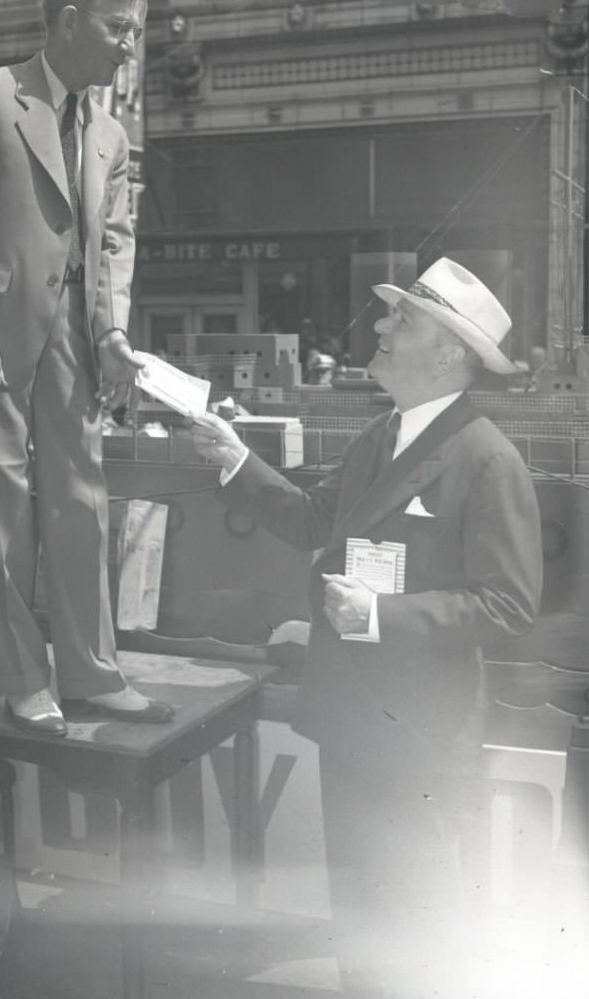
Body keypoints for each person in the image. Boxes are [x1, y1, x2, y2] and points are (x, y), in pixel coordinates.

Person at [191, 257, 542, 998]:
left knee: (414, 920)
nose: (379, 325)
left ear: (449, 351)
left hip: (417, 739)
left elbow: (508, 603)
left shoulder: (487, 459)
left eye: (401, 319)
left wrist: (380, 615)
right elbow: (316, 519)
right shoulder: (380, 435)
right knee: (358, 912)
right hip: (354, 718)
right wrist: (234, 462)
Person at [0, 0, 172, 734]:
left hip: (76, 341)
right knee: (0, 513)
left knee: (83, 505)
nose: (129, 47)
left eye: (135, 31)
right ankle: (24, 680)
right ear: (68, 20)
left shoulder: (111, 135)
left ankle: (91, 675)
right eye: (117, 28)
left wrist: (116, 335)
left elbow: (113, 245)